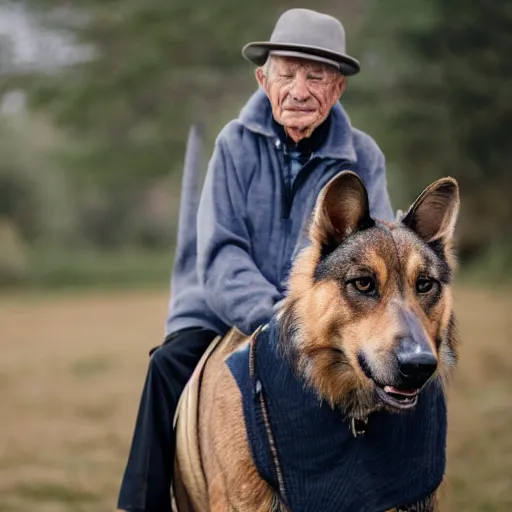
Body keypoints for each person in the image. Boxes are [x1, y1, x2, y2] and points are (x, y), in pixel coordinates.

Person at [117, 8, 394, 512]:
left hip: (325, 320)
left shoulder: (364, 157)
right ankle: (141, 504)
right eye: (287, 74)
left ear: (337, 90)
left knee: (392, 382)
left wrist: (318, 318)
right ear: (263, 79)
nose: (299, 89)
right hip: (225, 307)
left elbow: (372, 252)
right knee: (165, 369)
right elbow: (221, 251)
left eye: (316, 76)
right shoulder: (233, 145)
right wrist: (275, 317)